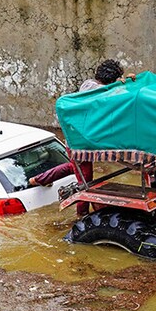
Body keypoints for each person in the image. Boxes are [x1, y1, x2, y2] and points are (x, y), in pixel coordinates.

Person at [29, 59, 135, 215]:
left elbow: (110, 91)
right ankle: (81, 216)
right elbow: (108, 93)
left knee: (76, 167)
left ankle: (38, 179)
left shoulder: (90, 84)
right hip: (79, 143)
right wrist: (124, 84)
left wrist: (121, 83)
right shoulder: (93, 89)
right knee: (86, 182)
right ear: (111, 80)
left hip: (79, 139)